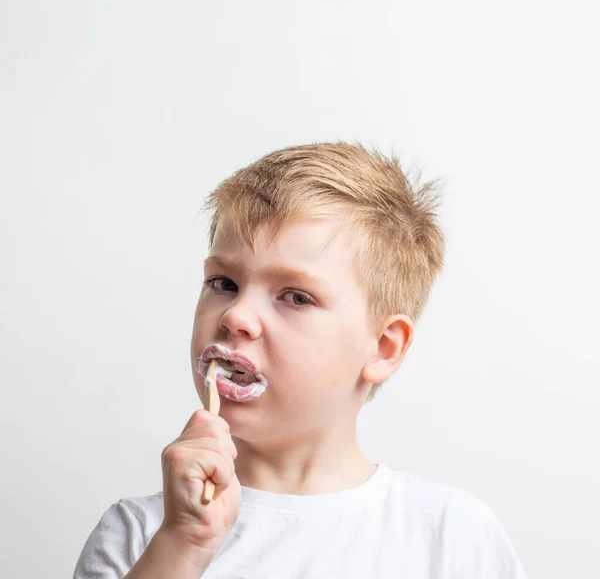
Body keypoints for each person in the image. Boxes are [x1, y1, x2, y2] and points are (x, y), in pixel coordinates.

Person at [73, 142, 528, 578]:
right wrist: (184, 545)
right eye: (223, 283)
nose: (236, 316)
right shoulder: (139, 536)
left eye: (296, 296)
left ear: (383, 348)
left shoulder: (451, 536)